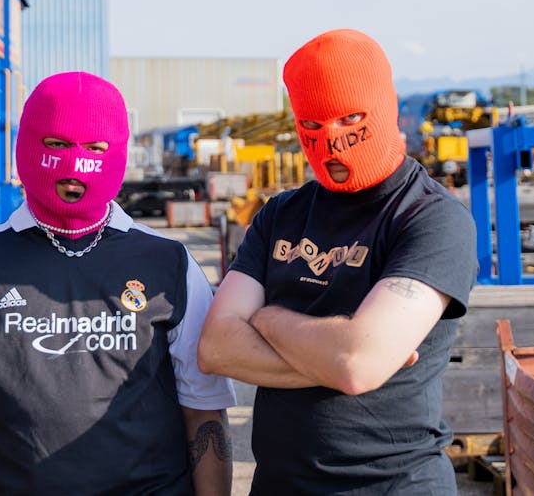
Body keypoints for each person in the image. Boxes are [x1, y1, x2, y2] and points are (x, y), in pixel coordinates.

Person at [0, 71, 236, 495]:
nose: (76, 164)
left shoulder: (168, 264)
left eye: (95, 148)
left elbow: (204, 414)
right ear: (28, 145)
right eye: (56, 145)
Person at [198, 29, 478, 494]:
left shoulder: (432, 218)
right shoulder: (280, 215)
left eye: (350, 118)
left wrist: (265, 318)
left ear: (385, 106)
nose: (332, 140)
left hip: (395, 485)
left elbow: (356, 363)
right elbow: (215, 347)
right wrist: (344, 356)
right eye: (311, 126)